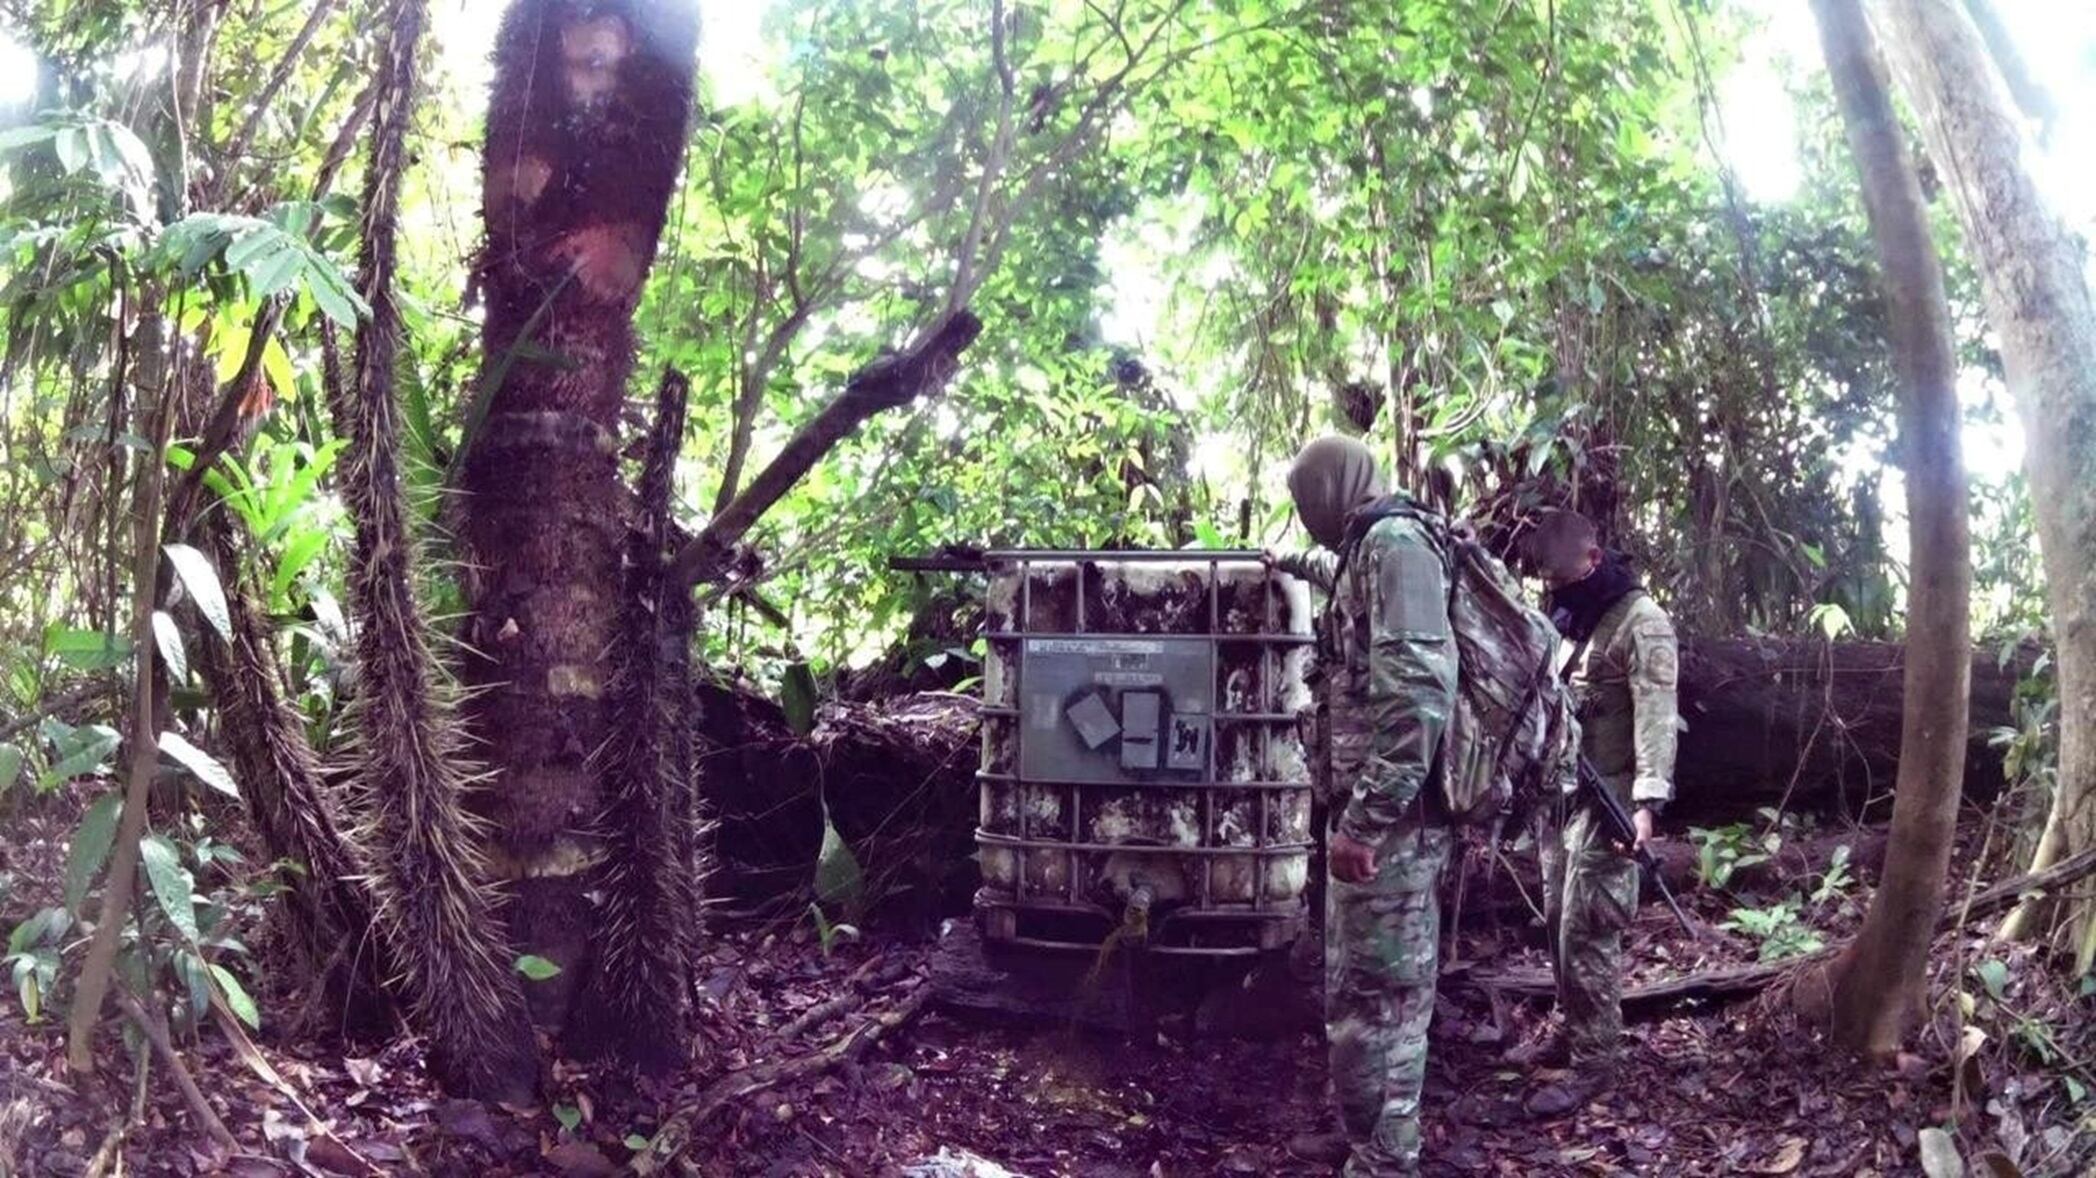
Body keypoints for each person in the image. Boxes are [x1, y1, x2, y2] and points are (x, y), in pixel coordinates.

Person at [1280, 435, 1457, 1176]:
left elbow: (1418, 697)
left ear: (1331, 492)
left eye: (1305, 503)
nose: (1306, 518)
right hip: (1369, 820)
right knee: (1356, 992)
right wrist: (1283, 560)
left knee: (1386, 1002)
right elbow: (1340, 586)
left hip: (1393, 827)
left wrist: (1366, 822)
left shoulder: (1397, 547)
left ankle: (1388, 1159)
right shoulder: (1366, 548)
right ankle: (1366, 1135)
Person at [1511, 508, 1680, 1113]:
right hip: (1563, 795)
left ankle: (1596, 1060)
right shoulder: (1568, 617)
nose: (1559, 590)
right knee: (1559, 917)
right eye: (1550, 583)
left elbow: (1657, 715)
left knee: (1589, 928)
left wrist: (1646, 805)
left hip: (1613, 799)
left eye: (1566, 579)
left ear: (1595, 559)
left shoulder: (1641, 621)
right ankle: (1570, 1027)